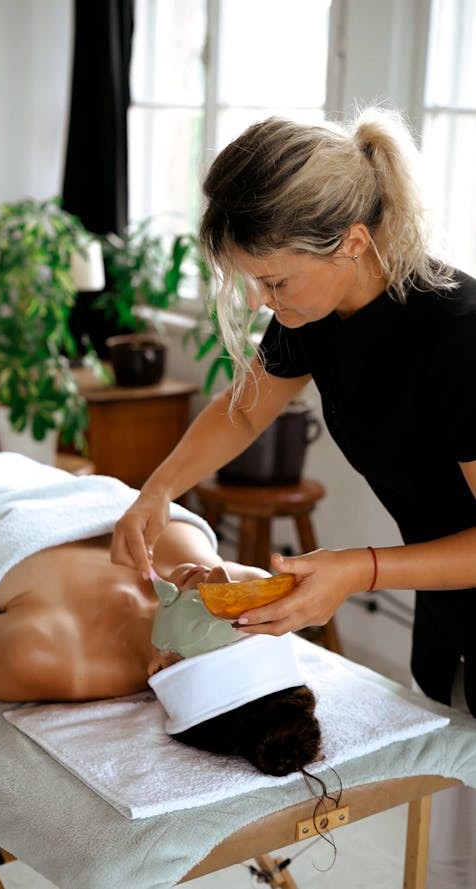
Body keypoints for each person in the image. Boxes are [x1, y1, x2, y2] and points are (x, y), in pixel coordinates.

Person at [111, 107, 476, 886]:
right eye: (253, 280)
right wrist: (156, 490)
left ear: (352, 239)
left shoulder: (460, 342)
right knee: (454, 851)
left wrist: (359, 568)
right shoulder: (324, 311)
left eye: (276, 280)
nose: (264, 301)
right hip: (455, 615)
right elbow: (247, 404)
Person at [0, 449, 321, 778]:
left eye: (215, 611)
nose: (220, 574)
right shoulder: (231, 575)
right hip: (12, 468)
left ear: (163, 666)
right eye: (240, 596)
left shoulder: (44, 653)